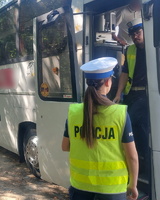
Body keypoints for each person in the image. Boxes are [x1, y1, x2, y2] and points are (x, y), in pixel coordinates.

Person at [61, 57, 139, 200]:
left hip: (80, 187)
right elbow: (132, 156)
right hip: (112, 189)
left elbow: (65, 146)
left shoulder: (73, 112)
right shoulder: (119, 113)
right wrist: (132, 185)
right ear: (109, 82)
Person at [113, 18, 150, 197]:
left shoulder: (155, 47)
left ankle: (141, 166)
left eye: (138, 32)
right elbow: (125, 73)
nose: (135, 36)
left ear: (145, 31)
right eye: (133, 34)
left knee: (132, 129)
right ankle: (139, 166)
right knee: (135, 130)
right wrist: (119, 93)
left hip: (148, 95)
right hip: (133, 94)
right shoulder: (130, 50)